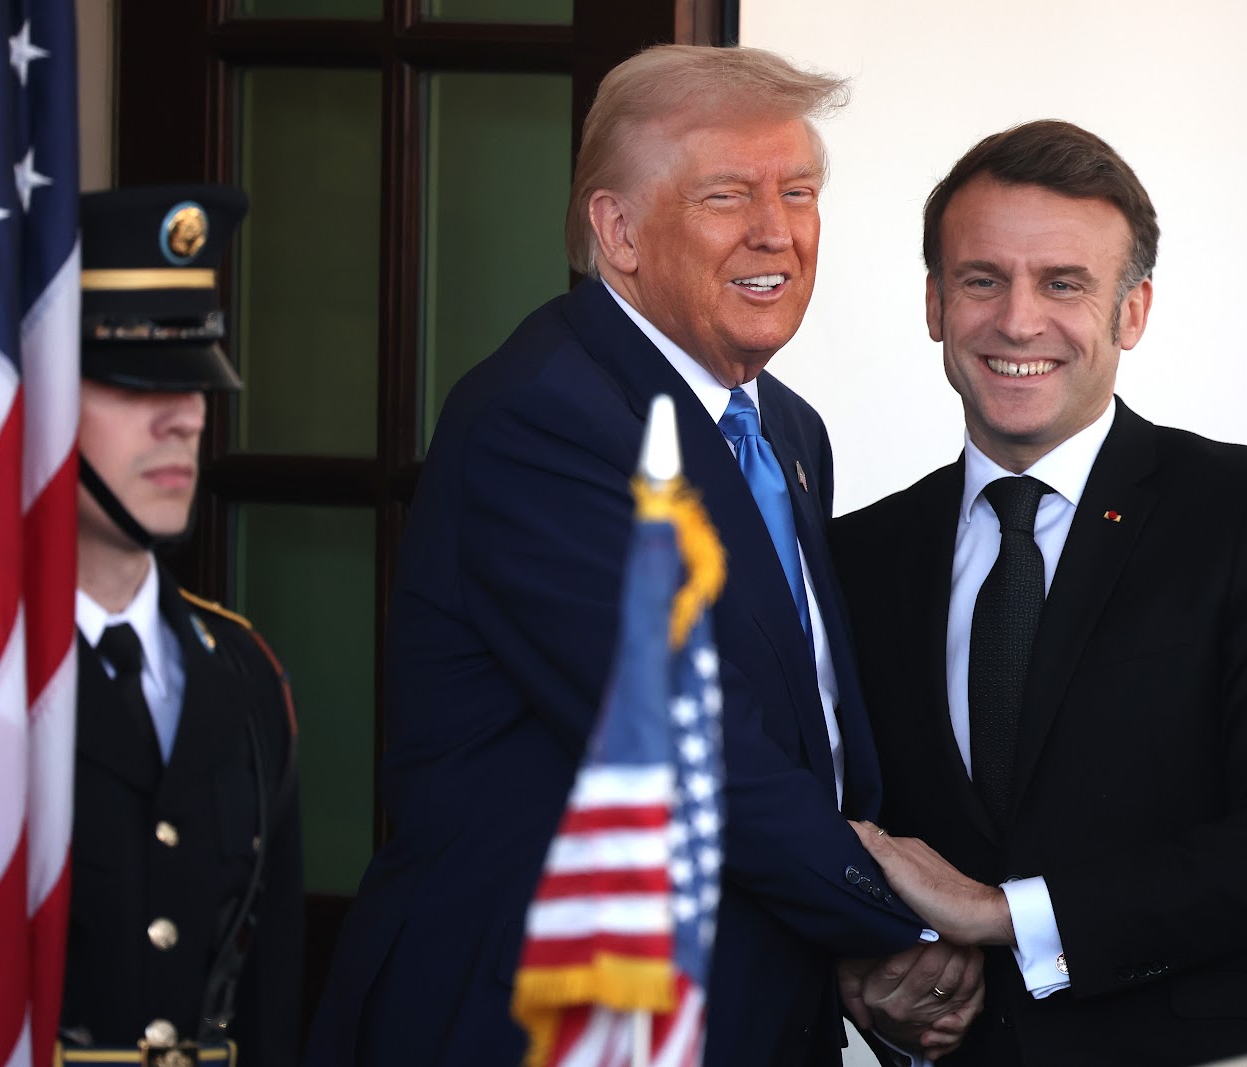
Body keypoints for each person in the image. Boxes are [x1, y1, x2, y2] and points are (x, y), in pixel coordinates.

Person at [304, 44, 980, 1067]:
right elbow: (698, 745)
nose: (776, 231)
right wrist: (903, 924)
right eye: (726, 195)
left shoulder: (783, 429)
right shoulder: (543, 420)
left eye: (797, 192)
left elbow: (809, 731)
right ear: (616, 231)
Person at [830, 120, 1247, 1066]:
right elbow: (837, 819)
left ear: (1133, 312)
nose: (1017, 320)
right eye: (981, 278)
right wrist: (870, 974)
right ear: (933, 302)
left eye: (1063, 282)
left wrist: (1007, 915)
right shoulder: (855, 555)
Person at [61, 186, 303, 1066]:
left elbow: (271, 993)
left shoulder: (243, 671)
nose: (186, 415)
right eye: (134, 382)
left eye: (196, 380)